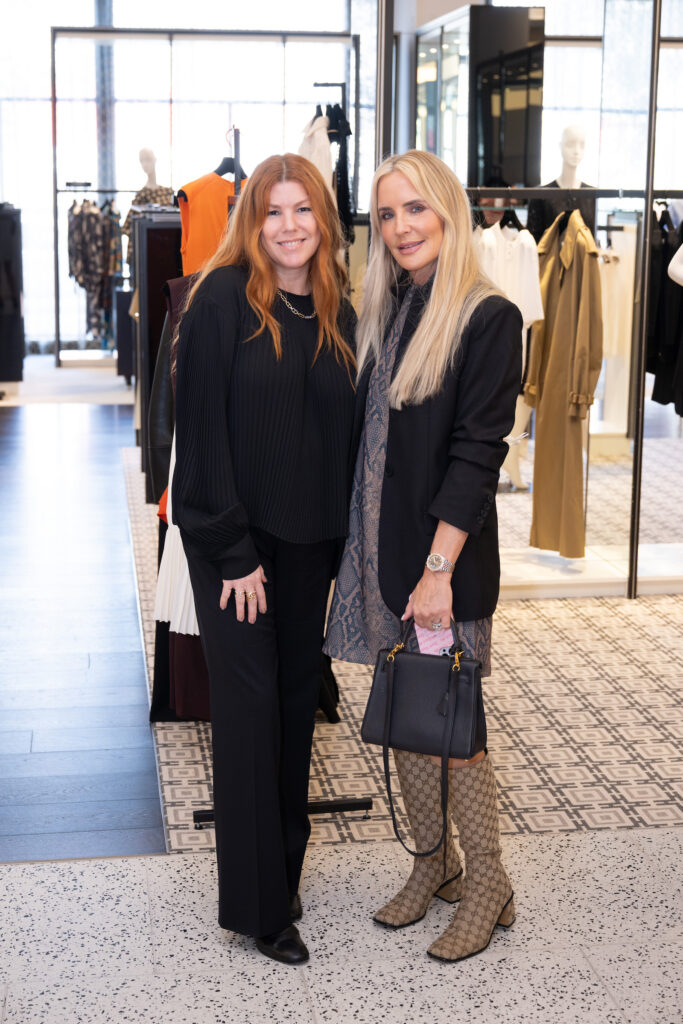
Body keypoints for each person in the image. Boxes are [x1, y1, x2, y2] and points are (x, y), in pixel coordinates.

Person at [325, 150, 522, 963]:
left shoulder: (485, 316)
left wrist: (437, 571)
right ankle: (430, 863)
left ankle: (487, 885)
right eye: (387, 214)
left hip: (436, 567)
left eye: (416, 209)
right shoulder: (388, 307)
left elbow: (479, 454)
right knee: (406, 719)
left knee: (454, 726)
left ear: (447, 212)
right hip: (378, 556)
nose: (401, 227)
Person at [172, 154, 357, 966]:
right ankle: (257, 911)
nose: (288, 226)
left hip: (310, 543)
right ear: (252, 220)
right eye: (272, 211)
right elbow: (200, 436)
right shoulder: (219, 299)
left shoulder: (338, 305)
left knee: (291, 708)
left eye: (302, 210)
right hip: (235, 550)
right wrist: (231, 552)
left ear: (323, 219)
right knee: (248, 720)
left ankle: (280, 872)